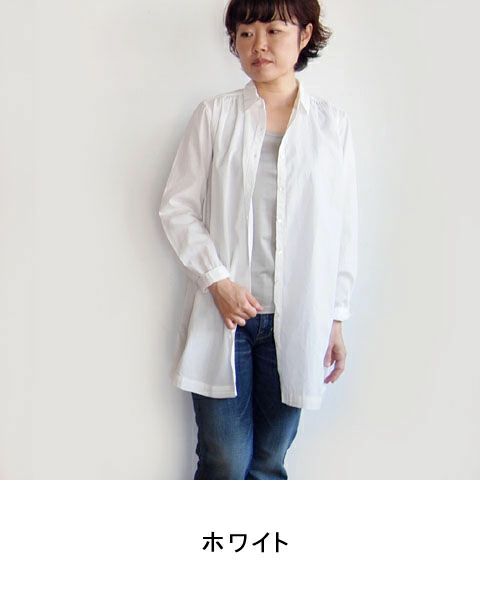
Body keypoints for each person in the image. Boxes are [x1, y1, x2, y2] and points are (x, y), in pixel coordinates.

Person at [158, 0, 358, 479]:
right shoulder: (215, 115)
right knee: (224, 461)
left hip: (299, 316)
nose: (258, 45)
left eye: (273, 30)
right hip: (227, 316)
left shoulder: (331, 126)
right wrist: (218, 281)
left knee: (269, 462)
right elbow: (177, 208)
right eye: (246, 33)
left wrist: (334, 317)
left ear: (304, 35)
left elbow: (343, 229)